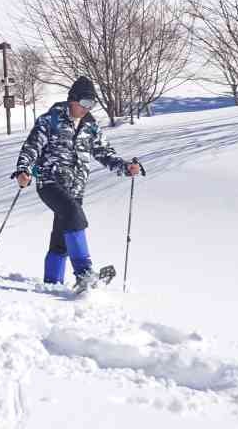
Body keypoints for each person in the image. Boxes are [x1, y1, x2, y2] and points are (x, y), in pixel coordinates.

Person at [13, 76, 142, 293]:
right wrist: (23, 170)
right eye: (83, 103)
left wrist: (125, 167)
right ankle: (84, 273)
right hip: (50, 182)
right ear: (71, 100)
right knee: (73, 214)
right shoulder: (50, 120)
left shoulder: (91, 126)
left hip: (76, 188)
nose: (86, 108)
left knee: (61, 239)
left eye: (91, 104)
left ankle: (51, 284)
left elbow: (104, 153)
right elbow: (31, 147)